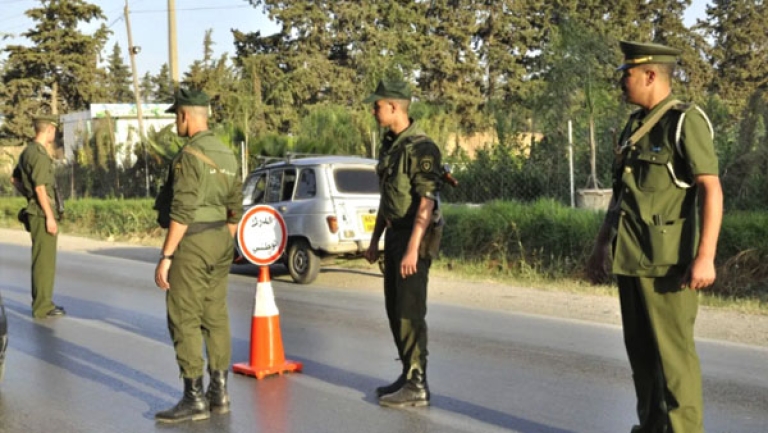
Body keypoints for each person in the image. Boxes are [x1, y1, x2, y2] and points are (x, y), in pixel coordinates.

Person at [586, 41, 723, 433]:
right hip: (631, 259)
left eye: (626, 74)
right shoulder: (636, 125)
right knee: (642, 358)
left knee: (674, 362)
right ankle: (651, 428)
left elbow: (711, 189)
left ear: (650, 75)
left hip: (667, 264)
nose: (621, 82)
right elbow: (621, 196)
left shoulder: (684, 121)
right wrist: (601, 246)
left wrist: (706, 256)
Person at [153, 89, 243, 423]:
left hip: (192, 241)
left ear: (186, 116)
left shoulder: (190, 155)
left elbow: (183, 210)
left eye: (176, 115)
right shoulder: (228, 154)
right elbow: (235, 208)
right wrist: (224, 242)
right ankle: (219, 393)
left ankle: (194, 397)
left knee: (184, 316)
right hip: (221, 239)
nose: (176, 122)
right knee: (215, 314)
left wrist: (167, 255)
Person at [363, 79, 444, 408]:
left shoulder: (422, 148)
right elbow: (388, 198)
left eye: (377, 105)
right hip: (395, 233)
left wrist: (412, 248)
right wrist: (375, 240)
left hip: (416, 235)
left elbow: (425, 202)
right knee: (394, 308)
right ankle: (407, 373)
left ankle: (418, 384)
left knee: (410, 310)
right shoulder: (391, 145)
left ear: (394, 107)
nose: (373, 110)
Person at [11, 115, 65, 319]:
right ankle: (42, 306)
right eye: (54, 130)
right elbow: (41, 188)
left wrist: (29, 196)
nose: (55, 134)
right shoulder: (40, 154)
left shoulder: (28, 151)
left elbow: (14, 179)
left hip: (35, 211)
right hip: (42, 214)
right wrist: (50, 217)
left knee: (41, 259)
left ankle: (42, 302)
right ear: (49, 130)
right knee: (44, 262)